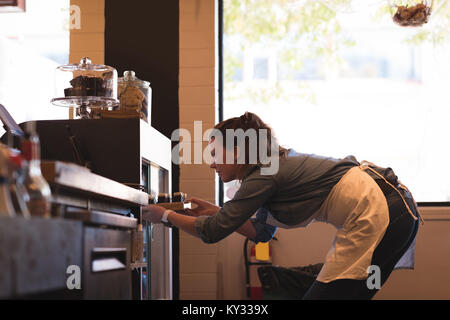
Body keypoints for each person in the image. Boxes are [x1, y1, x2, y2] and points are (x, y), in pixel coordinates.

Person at [142, 112, 421, 300]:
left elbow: (212, 233)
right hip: (393, 208)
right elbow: (262, 233)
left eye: (215, 153)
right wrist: (217, 212)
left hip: (383, 210)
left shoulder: (263, 175)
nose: (211, 162)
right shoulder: (266, 169)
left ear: (238, 151)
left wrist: (164, 215)